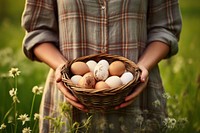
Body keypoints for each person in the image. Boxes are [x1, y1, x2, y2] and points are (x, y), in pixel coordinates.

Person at [21, 0, 182, 132]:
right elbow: (37, 32)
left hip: (138, 98)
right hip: (70, 102)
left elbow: (165, 28)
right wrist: (64, 70)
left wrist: (141, 68)